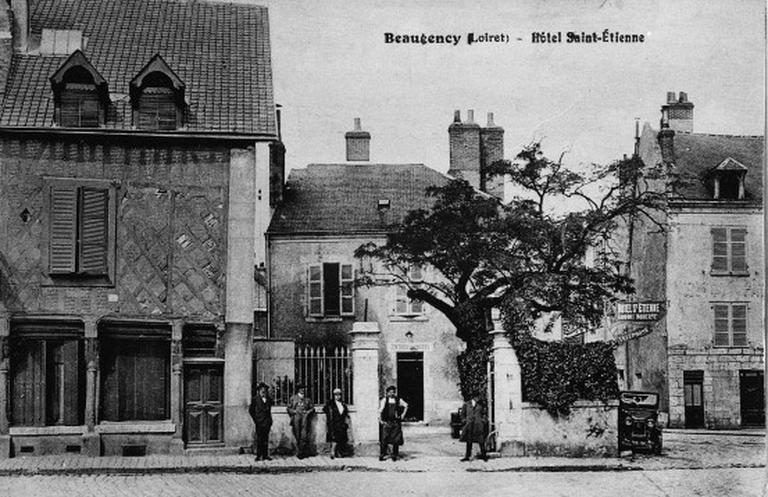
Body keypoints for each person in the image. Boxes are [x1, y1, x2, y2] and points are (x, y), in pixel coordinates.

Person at [379, 385, 408, 461]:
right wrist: (380, 420)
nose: (392, 393)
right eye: (390, 392)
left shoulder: (398, 400)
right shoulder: (384, 400)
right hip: (387, 422)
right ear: (387, 393)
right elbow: (380, 411)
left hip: (396, 422)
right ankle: (383, 454)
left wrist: (403, 415)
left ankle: (394, 455)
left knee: (396, 439)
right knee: (384, 439)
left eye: (393, 392)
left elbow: (406, 405)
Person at [287, 384, 314, 458]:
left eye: (304, 388)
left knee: (304, 435)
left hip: (305, 418)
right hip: (296, 417)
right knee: (297, 434)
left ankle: (301, 452)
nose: (303, 390)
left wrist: (308, 412)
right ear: (298, 390)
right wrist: (294, 411)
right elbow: (288, 408)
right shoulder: (293, 398)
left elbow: (312, 408)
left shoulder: (307, 399)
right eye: (301, 388)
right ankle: (299, 450)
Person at [459, 393, 488, 462]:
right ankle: (467, 456)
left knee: (481, 440)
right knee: (469, 441)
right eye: (477, 397)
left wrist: (483, 421)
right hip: (469, 425)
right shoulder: (466, 404)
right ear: (473, 397)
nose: (478, 398)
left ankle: (484, 455)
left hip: (478, 424)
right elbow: (462, 414)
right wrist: (465, 421)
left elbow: (484, 413)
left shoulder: (481, 405)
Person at [323, 388, 350, 459]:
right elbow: (325, 409)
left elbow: (345, 412)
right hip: (334, 423)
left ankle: (338, 452)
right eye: (336, 395)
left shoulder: (342, 403)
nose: (338, 396)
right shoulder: (330, 403)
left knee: (341, 439)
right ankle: (332, 452)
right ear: (333, 396)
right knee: (335, 438)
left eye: (339, 395)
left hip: (341, 423)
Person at [249, 382, 273, 461]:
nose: (263, 391)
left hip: (267, 422)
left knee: (266, 439)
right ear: (259, 391)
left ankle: (265, 455)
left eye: (264, 390)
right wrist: (256, 419)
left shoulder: (269, 399)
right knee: (259, 439)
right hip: (259, 422)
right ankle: (259, 455)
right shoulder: (255, 399)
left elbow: (269, 411)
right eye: (261, 390)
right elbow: (251, 410)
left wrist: (270, 420)